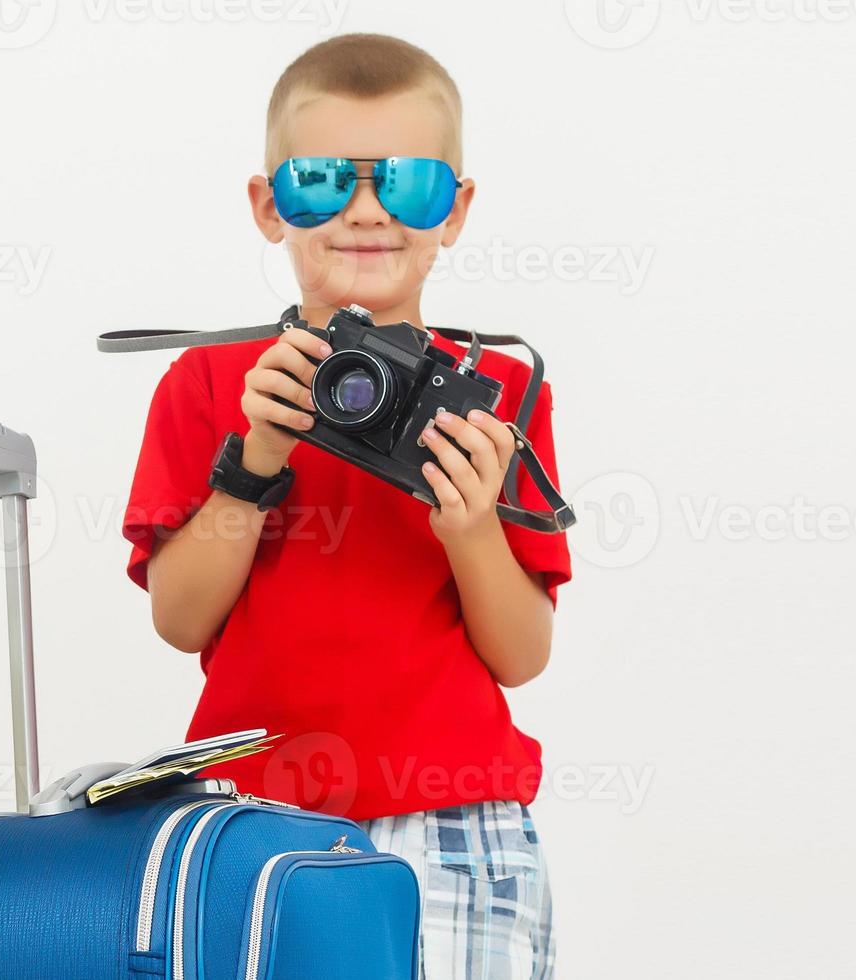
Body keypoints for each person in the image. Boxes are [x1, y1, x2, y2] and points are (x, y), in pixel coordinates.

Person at [120, 33, 568, 980]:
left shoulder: (496, 394)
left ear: (455, 210)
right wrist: (254, 461)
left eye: (405, 186)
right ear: (267, 205)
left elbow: (523, 655)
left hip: (455, 811)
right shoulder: (210, 382)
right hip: (251, 811)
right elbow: (178, 617)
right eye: (322, 183)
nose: (365, 213)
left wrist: (470, 525)